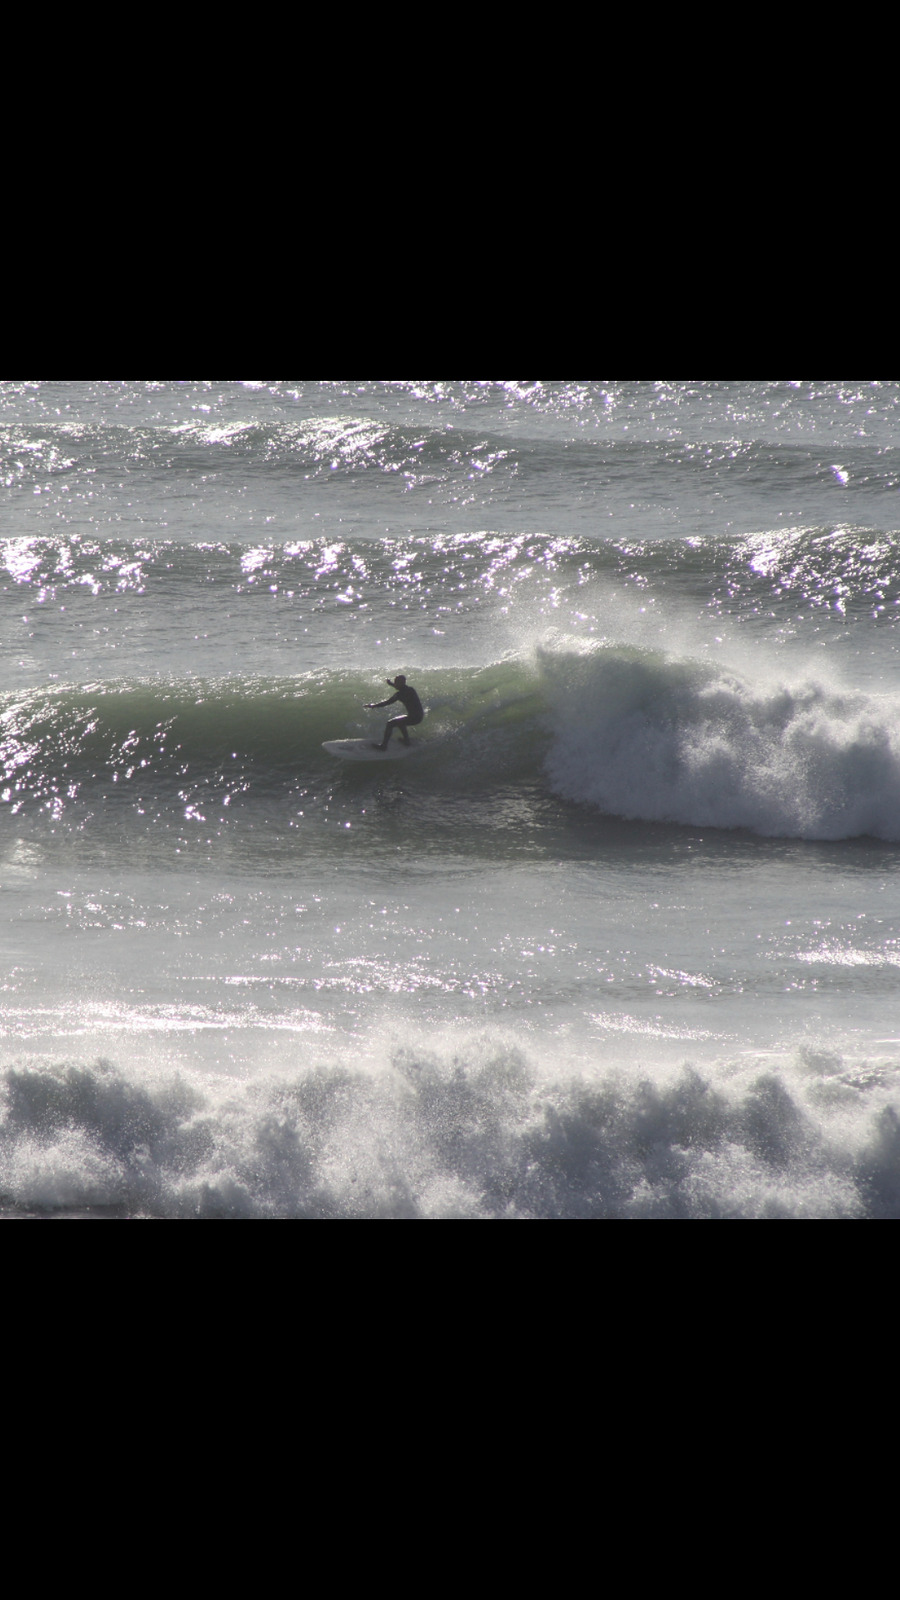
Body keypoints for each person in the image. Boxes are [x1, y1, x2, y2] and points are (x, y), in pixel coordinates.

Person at [364, 674, 424, 750]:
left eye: (396, 682)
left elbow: (387, 703)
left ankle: (383, 746)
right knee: (400, 722)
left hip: (414, 718)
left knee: (390, 724)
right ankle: (406, 740)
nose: (395, 684)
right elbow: (401, 688)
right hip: (418, 716)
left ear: (401, 683)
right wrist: (391, 684)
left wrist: (373, 706)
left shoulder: (399, 694)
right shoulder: (410, 689)